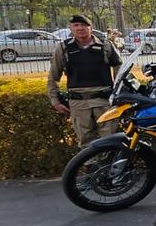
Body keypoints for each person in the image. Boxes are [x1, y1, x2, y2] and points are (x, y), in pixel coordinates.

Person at [47, 15, 123, 146]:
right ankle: (93, 167)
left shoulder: (105, 45)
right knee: (86, 143)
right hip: (79, 104)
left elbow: (119, 68)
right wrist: (55, 101)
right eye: (76, 25)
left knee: (111, 140)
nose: (80, 28)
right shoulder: (63, 48)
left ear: (91, 28)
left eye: (84, 25)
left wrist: (119, 90)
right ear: (71, 28)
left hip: (104, 101)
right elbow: (53, 76)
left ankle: (111, 166)